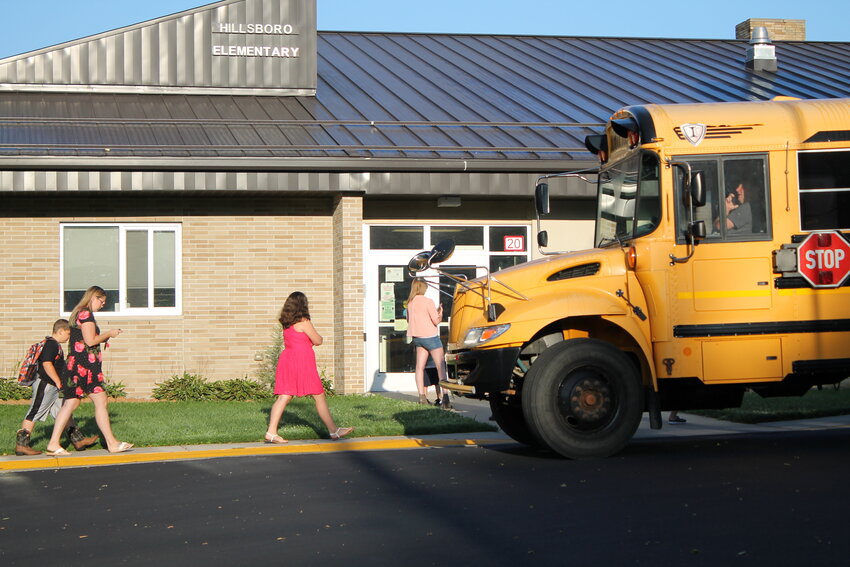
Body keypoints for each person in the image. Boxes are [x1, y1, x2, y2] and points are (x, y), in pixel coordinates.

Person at [45, 286, 132, 455]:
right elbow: (90, 341)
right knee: (73, 403)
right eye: (101, 300)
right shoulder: (85, 314)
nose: (103, 304)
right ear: (92, 297)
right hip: (82, 368)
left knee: (97, 401)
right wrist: (109, 334)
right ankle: (54, 443)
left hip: (84, 367)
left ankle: (111, 442)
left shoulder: (81, 313)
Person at [265, 292, 354, 443]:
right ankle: (334, 431)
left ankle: (271, 432)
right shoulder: (304, 322)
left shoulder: (286, 322)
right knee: (318, 395)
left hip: (287, 360)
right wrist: (316, 339)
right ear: (303, 305)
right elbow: (317, 340)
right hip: (302, 361)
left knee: (284, 396)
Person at [14, 319, 99, 456]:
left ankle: (78, 440)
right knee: (35, 411)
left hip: (52, 386)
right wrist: (59, 382)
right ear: (60, 331)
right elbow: (47, 365)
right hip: (45, 384)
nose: (69, 337)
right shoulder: (51, 344)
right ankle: (22, 445)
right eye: (68, 334)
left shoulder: (54, 345)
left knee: (62, 411)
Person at [406, 278, 451, 409]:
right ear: (423, 288)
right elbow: (436, 321)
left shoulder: (410, 303)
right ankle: (446, 398)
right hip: (431, 337)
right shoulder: (428, 301)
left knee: (419, 367)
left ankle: (422, 397)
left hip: (418, 338)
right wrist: (440, 313)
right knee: (440, 367)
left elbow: (409, 320)